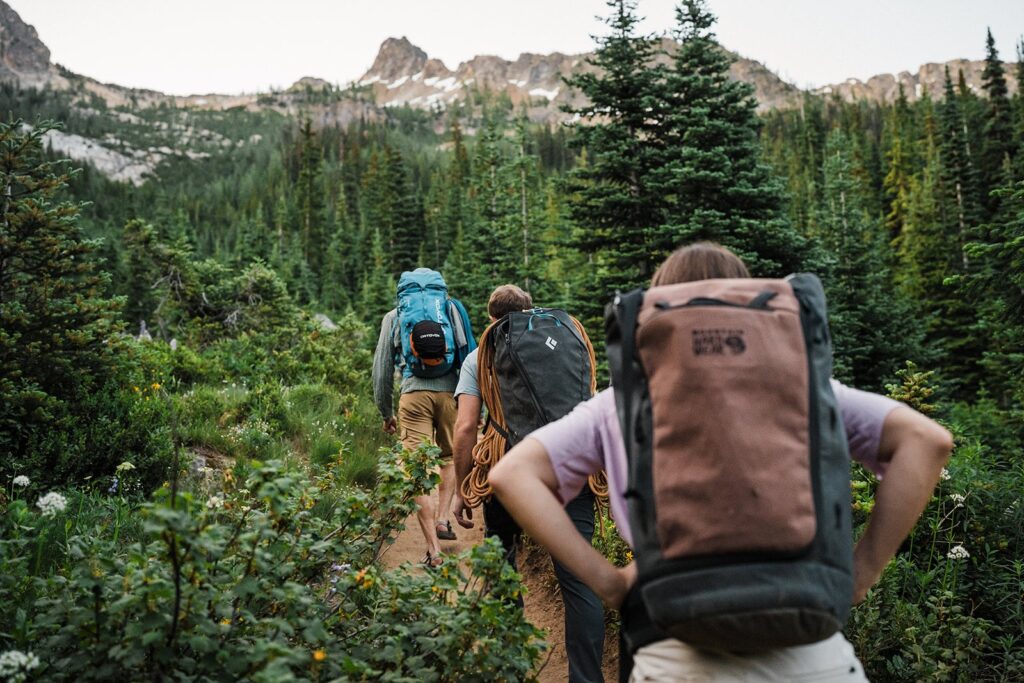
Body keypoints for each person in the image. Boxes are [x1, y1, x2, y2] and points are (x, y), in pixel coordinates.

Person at [489, 243, 954, 682]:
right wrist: (861, 574)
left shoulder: (622, 402)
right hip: (814, 657)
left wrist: (609, 583)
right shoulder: (808, 388)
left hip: (675, 652)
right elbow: (927, 441)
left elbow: (513, 473)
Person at [452, 284, 606, 683]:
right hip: (572, 468)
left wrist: (460, 487)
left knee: (502, 563)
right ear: (530, 310)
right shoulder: (569, 340)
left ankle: (511, 662)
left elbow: (467, 426)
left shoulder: (481, 355)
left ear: (491, 321)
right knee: (578, 580)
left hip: (509, 469)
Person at [372, 268, 473, 568]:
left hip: (413, 396)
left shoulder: (394, 316)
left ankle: (433, 550)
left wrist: (385, 411)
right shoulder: (452, 309)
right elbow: (469, 353)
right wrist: (474, 407)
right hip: (449, 394)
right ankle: (443, 518)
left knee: (417, 469)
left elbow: (381, 369)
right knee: (449, 456)